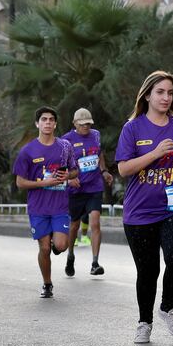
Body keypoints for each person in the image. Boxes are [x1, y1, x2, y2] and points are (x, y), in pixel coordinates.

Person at [116, 71, 173, 344]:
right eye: (160, 92)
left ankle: (167, 306)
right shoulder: (133, 128)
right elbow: (124, 168)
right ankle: (144, 321)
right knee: (148, 271)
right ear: (148, 95)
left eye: (170, 92)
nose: (166, 97)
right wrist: (154, 153)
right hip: (139, 211)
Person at [13, 106, 78, 298]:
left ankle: (55, 241)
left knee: (61, 245)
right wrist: (44, 182)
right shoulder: (27, 151)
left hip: (59, 206)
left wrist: (68, 174)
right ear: (37, 123)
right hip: (38, 207)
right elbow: (20, 182)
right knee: (44, 248)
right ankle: (47, 283)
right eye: (44, 119)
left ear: (55, 123)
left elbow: (75, 170)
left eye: (51, 120)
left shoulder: (65, 146)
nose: (48, 123)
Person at [63, 108, 113, 277]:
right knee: (74, 226)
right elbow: (60, 165)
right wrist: (69, 179)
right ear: (75, 123)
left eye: (89, 124)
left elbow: (99, 154)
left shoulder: (96, 135)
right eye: (83, 124)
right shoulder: (66, 140)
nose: (86, 127)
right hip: (76, 190)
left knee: (95, 222)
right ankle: (70, 256)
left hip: (94, 187)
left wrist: (104, 171)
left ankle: (95, 262)